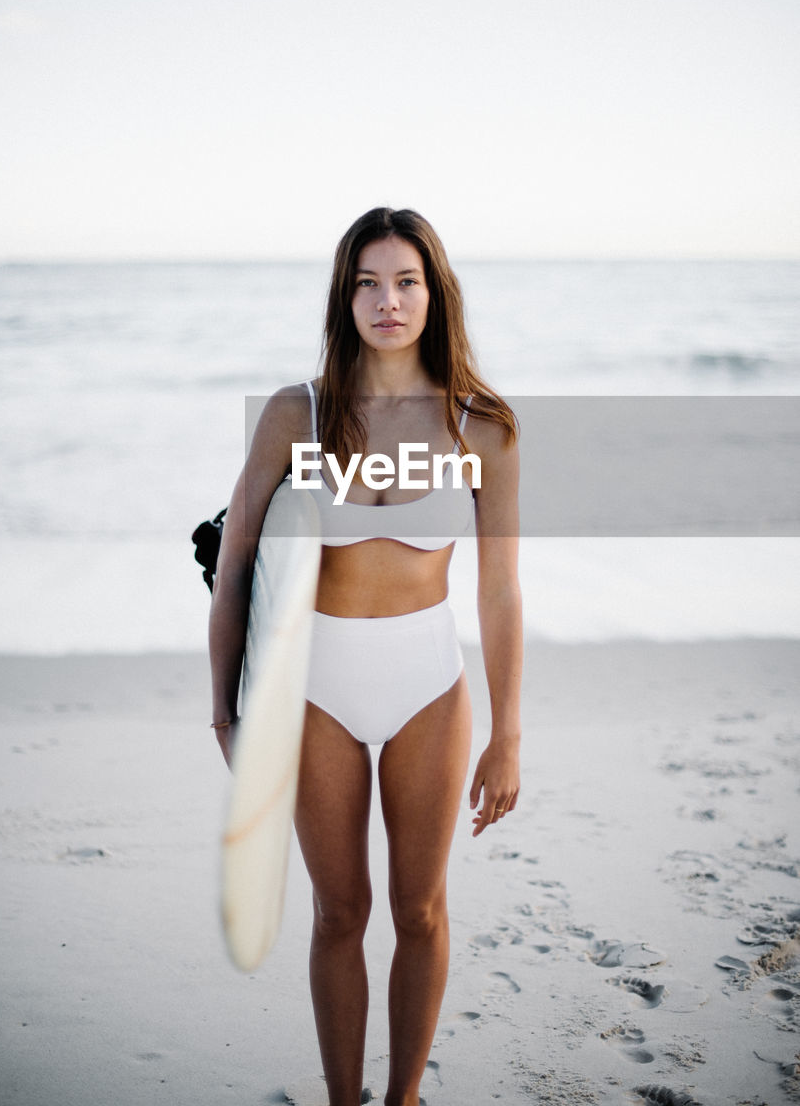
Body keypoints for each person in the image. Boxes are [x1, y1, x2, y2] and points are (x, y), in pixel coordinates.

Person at [209, 207, 522, 1106]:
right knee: (340, 912)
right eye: (368, 283)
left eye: (407, 281)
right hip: (314, 690)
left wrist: (507, 734)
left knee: (420, 908)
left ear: (436, 292)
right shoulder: (294, 414)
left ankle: (404, 1098)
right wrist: (228, 712)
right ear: (345, 298)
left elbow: (500, 591)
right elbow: (234, 572)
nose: (388, 300)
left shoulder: (483, 426)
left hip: (429, 681)